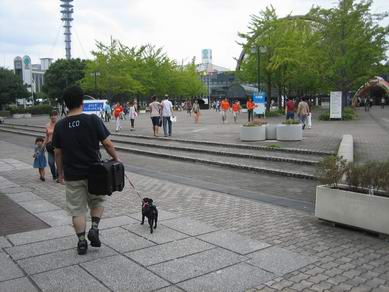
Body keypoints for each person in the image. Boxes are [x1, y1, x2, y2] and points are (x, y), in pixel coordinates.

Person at [52, 85, 119, 255]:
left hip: (73, 174)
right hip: (95, 173)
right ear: (82, 101)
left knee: (77, 210)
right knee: (98, 201)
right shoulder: (92, 120)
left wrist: (60, 173)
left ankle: (82, 242)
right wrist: (116, 159)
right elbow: (107, 143)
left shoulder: (60, 126)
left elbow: (57, 153)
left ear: (66, 104)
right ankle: (94, 228)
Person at [44, 111, 58, 182]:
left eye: (54, 115)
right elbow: (46, 136)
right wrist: (43, 146)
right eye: (52, 115)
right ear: (50, 117)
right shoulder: (47, 125)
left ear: (57, 116)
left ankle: (59, 175)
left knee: (59, 162)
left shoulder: (59, 124)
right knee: (51, 162)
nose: (53, 117)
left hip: (58, 146)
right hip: (49, 146)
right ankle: (54, 175)